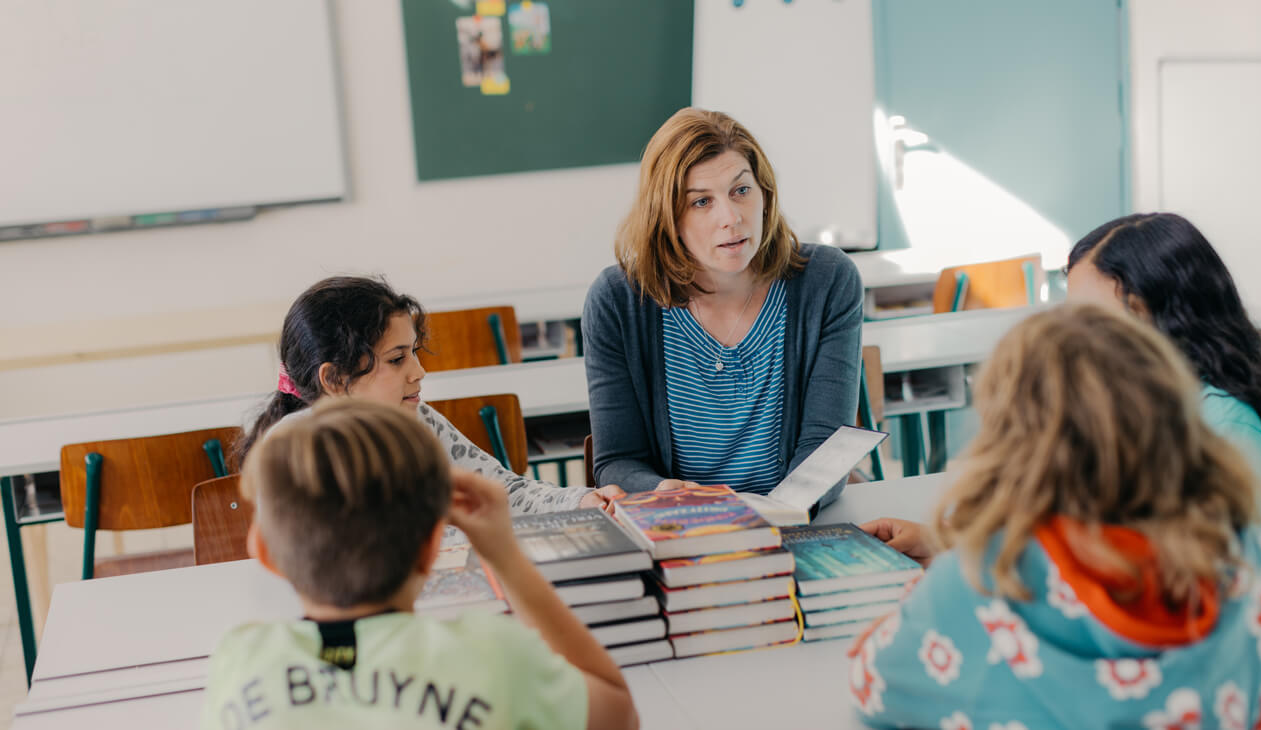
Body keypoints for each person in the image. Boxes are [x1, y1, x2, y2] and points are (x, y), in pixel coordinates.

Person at [847, 304, 1261, 729]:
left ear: (1008, 442)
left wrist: (919, 595)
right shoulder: (1242, 555)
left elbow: (874, 686)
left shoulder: (982, 579)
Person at [202, 400, 638, 729]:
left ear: (263, 552)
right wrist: (503, 553)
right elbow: (616, 712)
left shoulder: (239, 661)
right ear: (434, 546)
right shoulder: (492, 655)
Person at [583, 107, 863, 502]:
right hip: (685, 527)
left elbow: (825, 452)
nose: (731, 217)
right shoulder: (618, 300)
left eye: (741, 191)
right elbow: (619, 462)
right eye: (701, 202)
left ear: (765, 194)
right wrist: (668, 493)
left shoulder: (828, 280)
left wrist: (773, 518)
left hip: (796, 520)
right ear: (666, 216)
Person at [235, 275, 625, 513]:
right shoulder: (296, 450)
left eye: (414, 353)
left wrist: (577, 502)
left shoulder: (417, 420)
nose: (419, 371)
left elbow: (502, 492)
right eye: (397, 359)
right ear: (335, 379)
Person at [1066, 212, 1261, 615]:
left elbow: (1202, 594)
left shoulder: (1227, 430)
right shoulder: (1141, 407)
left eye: (1092, 321)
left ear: (1151, 317)